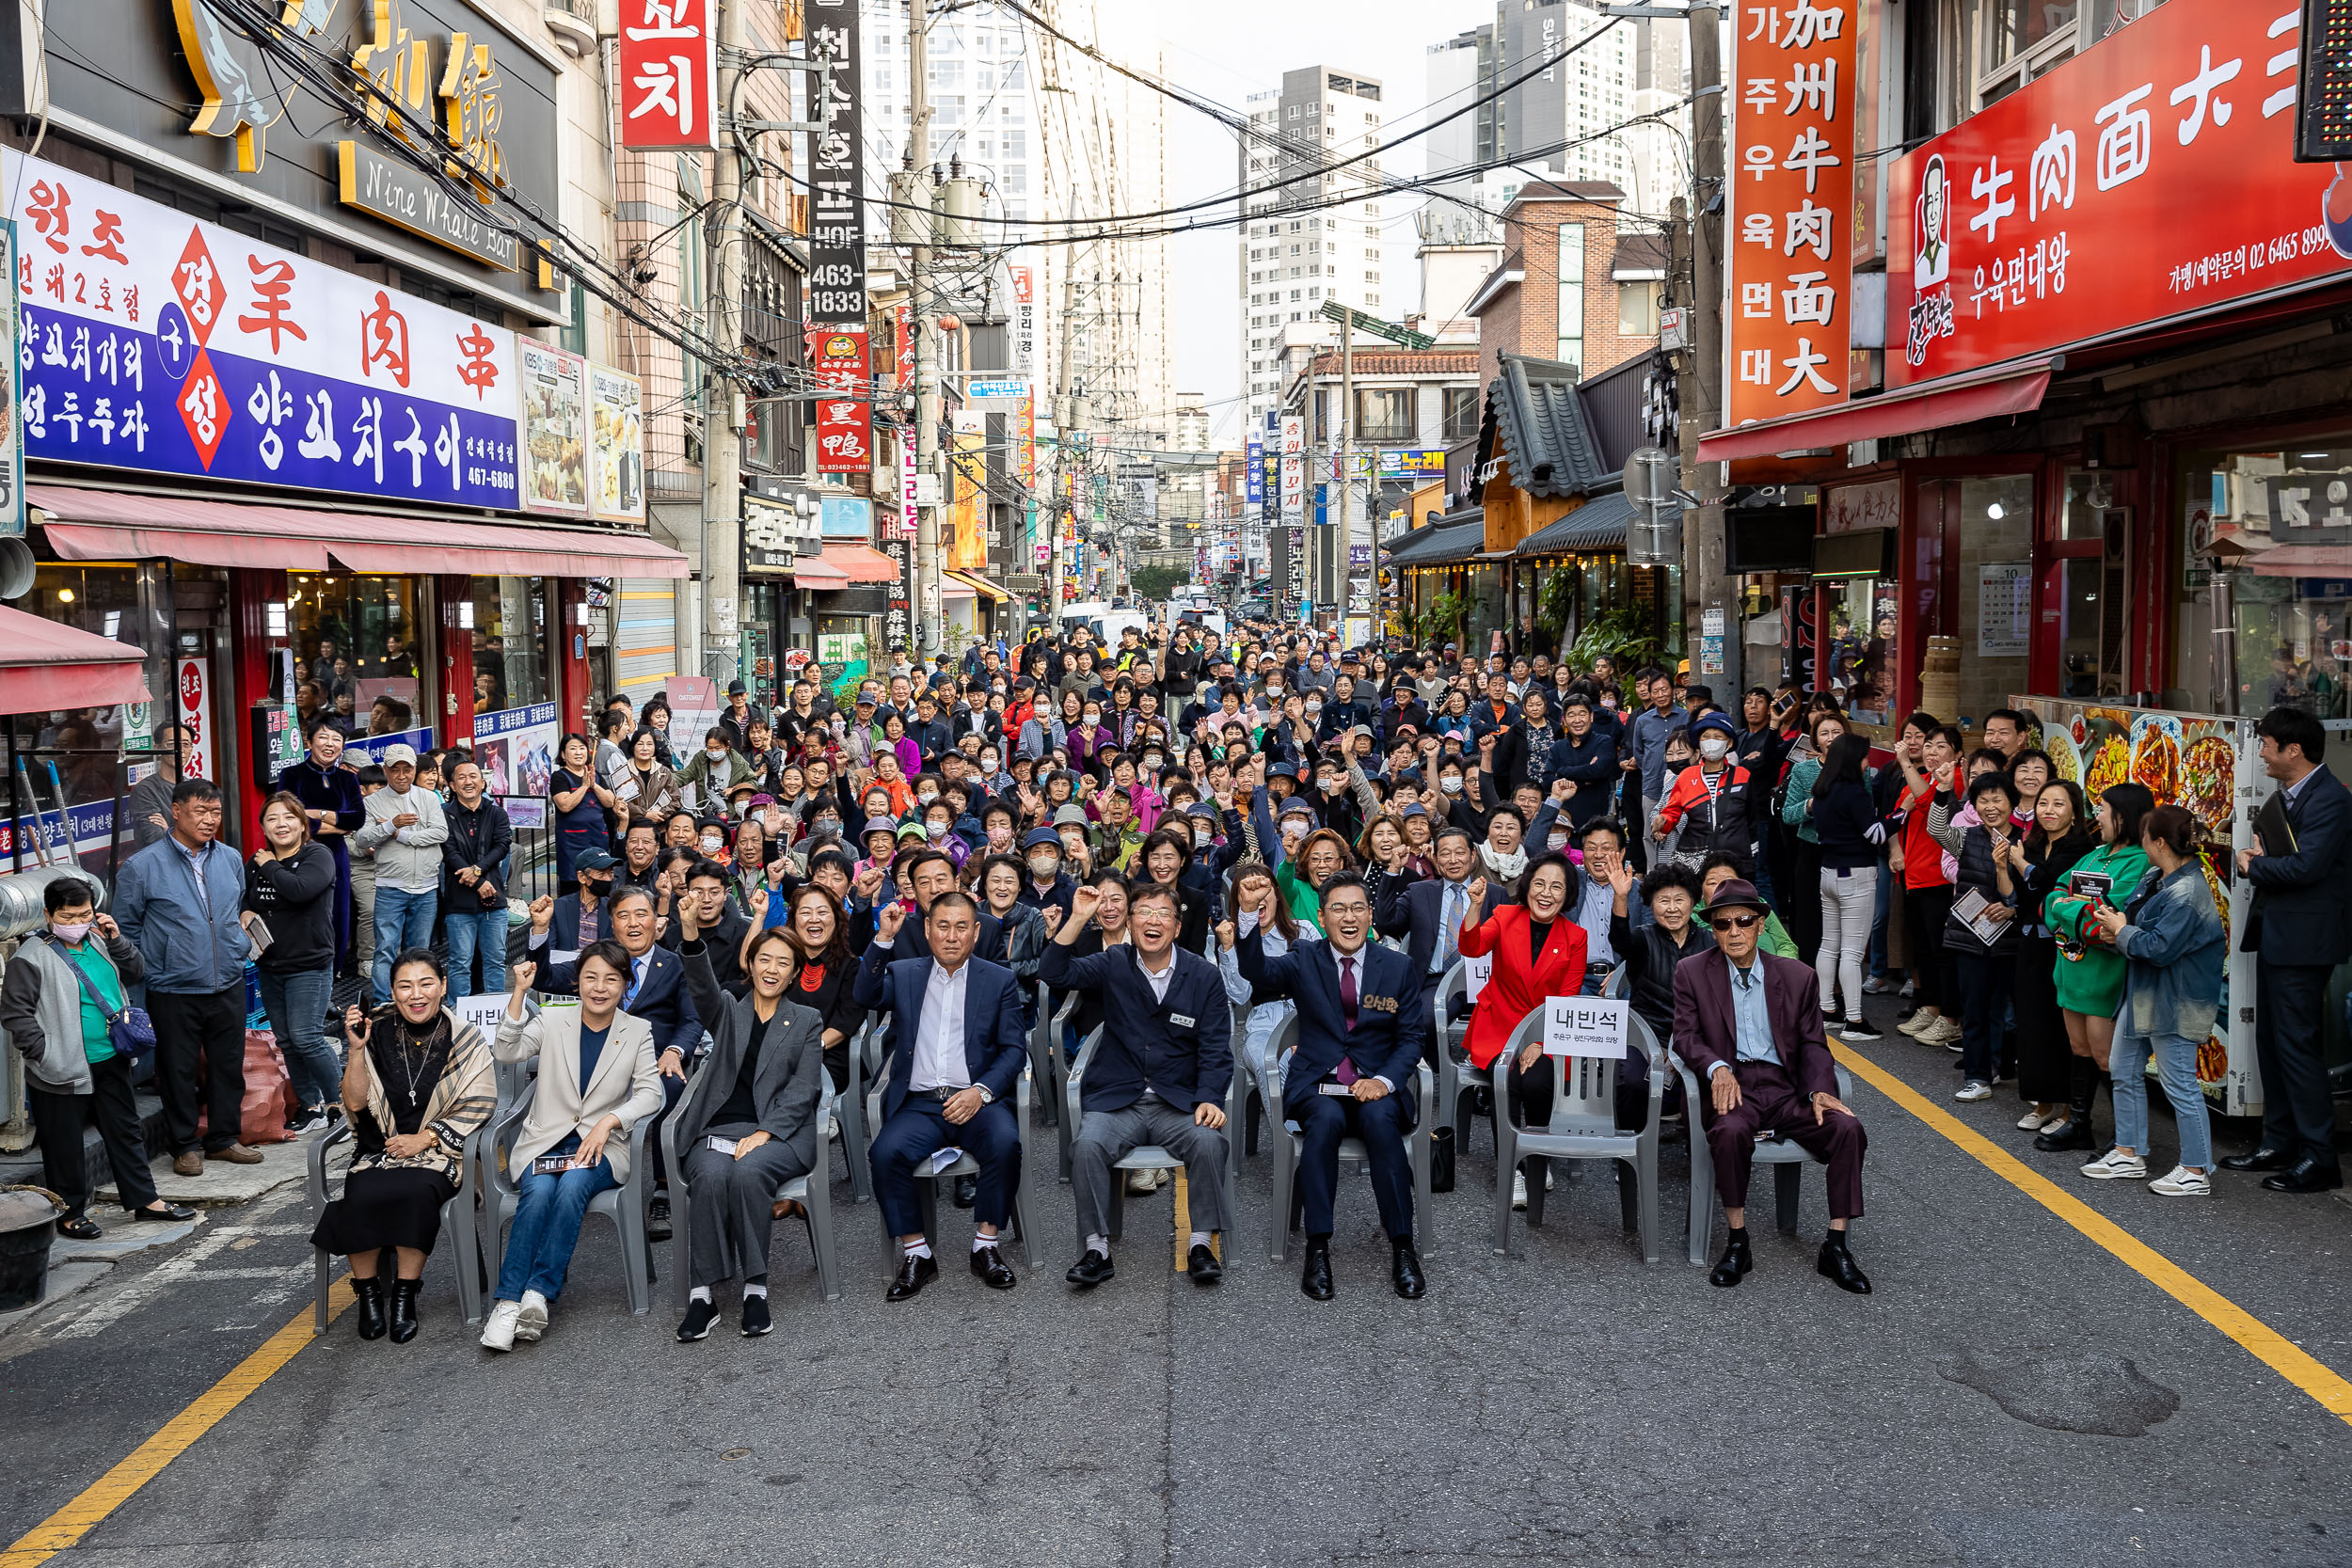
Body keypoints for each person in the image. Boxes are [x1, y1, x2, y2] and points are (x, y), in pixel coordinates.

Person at [1671, 879, 1871, 1294]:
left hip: (1786, 1088)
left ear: (1762, 923)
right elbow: (1686, 1037)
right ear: (1713, 929)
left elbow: (1815, 1041)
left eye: (1744, 920)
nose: (1734, 931)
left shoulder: (1797, 976)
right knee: (1728, 1132)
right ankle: (1738, 1240)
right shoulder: (1692, 971)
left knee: (1847, 1128)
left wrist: (1818, 1088)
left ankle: (1835, 1245)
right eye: (1723, 924)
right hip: (1734, 1085)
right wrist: (1717, 1068)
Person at [1234, 873, 1427, 1301]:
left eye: (1358, 907)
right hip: (1318, 1082)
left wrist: (1383, 1080)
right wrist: (1248, 913)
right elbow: (1256, 971)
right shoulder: (1303, 957)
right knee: (1322, 1122)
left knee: (1381, 1122)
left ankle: (1402, 1246)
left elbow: (1412, 1036)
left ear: (1371, 915)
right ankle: (1318, 1247)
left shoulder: (1396, 966)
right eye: (1337, 908)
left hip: (1376, 1085)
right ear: (1321, 917)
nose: (1349, 917)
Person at [1041, 879, 1234, 1288]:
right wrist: (1078, 917)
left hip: (1178, 1101)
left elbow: (1217, 1048)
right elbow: (1053, 972)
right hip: (1118, 1097)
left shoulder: (1203, 976)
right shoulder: (1114, 962)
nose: (1153, 921)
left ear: (1178, 927)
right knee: (1088, 1146)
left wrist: (1210, 1097)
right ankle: (1097, 1249)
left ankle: (1200, 1242)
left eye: (1164, 913)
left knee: (1207, 1141)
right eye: (1144, 912)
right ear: (1129, 922)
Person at [481, 942, 665, 1351]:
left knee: (572, 1185)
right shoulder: (551, 1020)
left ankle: (536, 1293)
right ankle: (511, 1302)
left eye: (611, 979)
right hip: (544, 1142)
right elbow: (506, 1050)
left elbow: (652, 1094)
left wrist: (610, 1121)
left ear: (626, 986)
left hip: (602, 1146)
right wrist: (518, 992)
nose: (599, 988)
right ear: (577, 981)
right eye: (590, 978)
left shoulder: (637, 1032)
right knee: (541, 1190)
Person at [312, 951, 495, 1342]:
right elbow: (356, 1103)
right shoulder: (374, 1031)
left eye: (426, 983)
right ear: (392, 992)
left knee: (415, 1191)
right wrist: (356, 1049)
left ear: (443, 987)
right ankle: (369, 1294)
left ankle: (404, 1295)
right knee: (360, 1193)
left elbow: (481, 1101)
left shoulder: (464, 1037)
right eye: (405, 986)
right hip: (378, 1148)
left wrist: (425, 1139)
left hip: (439, 1151)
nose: (417, 994)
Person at [856, 892, 1029, 1299]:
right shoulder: (905, 972)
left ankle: (985, 1245)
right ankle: (918, 1253)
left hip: (976, 1099)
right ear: (928, 929)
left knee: (1005, 1143)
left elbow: (1013, 1050)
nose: (952, 936)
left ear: (976, 932)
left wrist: (981, 1092)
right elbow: (864, 996)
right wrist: (883, 938)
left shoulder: (997, 979)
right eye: (943, 926)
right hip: (921, 1103)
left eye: (961, 927)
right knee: (885, 1153)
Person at [669, 903, 829, 1339]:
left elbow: (804, 1089)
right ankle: (703, 1294)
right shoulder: (727, 1010)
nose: (772, 969)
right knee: (708, 1175)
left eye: (783, 962)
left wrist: (765, 1132)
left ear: (794, 973)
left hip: (779, 1133)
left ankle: (755, 1288)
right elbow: (701, 984)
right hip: (718, 1128)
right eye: (765, 959)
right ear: (751, 964)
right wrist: (688, 933)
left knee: (749, 1171)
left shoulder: (807, 1020)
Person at [2, 879, 195, 1239]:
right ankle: (70, 1212)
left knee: (125, 1132)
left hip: (112, 1057)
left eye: (84, 914)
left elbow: (137, 972)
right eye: (67, 915)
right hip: (61, 1067)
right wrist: (43, 1053)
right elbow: (15, 1014)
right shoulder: (31, 956)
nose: (77, 922)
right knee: (64, 1145)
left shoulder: (101, 941)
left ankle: (145, 1199)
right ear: (48, 914)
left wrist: (118, 939)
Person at [525, 882, 705, 1232]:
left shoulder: (675, 964)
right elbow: (543, 977)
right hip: (598, 1063)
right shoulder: (595, 962)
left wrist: (674, 1051)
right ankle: (567, 1169)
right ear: (612, 923)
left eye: (642, 914)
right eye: (623, 916)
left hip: (652, 1062)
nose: (633, 923)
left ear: (657, 920)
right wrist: (541, 930)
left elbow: (692, 1019)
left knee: (670, 1087)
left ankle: (665, 1191)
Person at [2224, 708, 2351, 1191]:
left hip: (2307, 941)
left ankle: (2320, 1157)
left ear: (2292, 750)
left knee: (2297, 1046)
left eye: (2266, 744)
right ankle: (2279, 1141)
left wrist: (2252, 866)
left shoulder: (2332, 800)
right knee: (2272, 1044)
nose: (2261, 752)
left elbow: (2307, 869)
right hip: (2280, 934)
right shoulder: (2290, 794)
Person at [114, 778, 261, 1178]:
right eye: (201, 811)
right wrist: (157, 964)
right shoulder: (142, 866)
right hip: (172, 985)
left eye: (215, 812)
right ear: (176, 811)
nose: (210, 820)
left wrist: (237, 948)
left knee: (228, 1064)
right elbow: (126, 926)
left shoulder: (229, 857)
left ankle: (223, 1139)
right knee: (177, 1069)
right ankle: (183, 1145)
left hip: (226, 979)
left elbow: (235, 909)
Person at [2081, 806, 2225, 1196]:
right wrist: (2116, 931)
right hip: (2145, 990)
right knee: (2123, 1069)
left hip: (2177, 998)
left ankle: (2195, 1170)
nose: (2141, 841)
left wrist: (2121, 931)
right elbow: (2134, 928)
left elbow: (2159, 948)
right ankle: (2128, 1152)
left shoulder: (2188, 892)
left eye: (2145, 835)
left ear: (2158, 842)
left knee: (2179, 1083)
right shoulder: (2157, 876)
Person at [1454, 855, 1593, 1212]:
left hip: (1545, 1031)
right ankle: (1513, 1166)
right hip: (1497, 1027)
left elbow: (1567, 999)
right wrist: (1474, 906)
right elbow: (1471, 948)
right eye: (1540, 884)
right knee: (1509, 1079)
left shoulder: (1576, 937)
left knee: (1537, 1082)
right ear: (1528, 886)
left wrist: (1542, 1042)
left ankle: (1537, 1159)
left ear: (1568, 895)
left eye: (1557, 887)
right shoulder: (1503, 916)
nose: (1546, 894)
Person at [2039, 783, 2153, 1154]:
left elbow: (2109, 919)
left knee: (2106, 1055)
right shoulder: (2096, 854)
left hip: (2104, 972)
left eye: (2102, 809)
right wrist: (2068, 909)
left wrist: (2064, 909)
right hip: (2071, 966)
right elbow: (2052, 896)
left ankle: (2126, 1137)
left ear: (2124, 814)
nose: (2096, 816)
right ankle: (2080, 1124)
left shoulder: (2139, 861)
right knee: (2079, 1047)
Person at [244, 792, 342, 1132]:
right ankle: (310, 1106)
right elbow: (247, 897)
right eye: (272, 819)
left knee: (307, 1037)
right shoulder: (255, 864)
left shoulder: (318, 855)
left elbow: (300, 890)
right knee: (286, 1040)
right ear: (264, 828)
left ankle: (341, 1104)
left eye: (288, 817)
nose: (280, 824)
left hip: (310, 962)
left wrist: (268, 863)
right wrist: (245, 911)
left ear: (302, 824)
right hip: (270, 964)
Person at [2006, 781, 2093, 1139]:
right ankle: (2042, 1103)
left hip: (2062, 945)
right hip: (2028, 940)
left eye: (2059, 804)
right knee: (2030, 1022)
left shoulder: (2080, 848)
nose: (2049, 810)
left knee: (2060, 1028)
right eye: (2043, 803)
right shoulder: (2035, 842)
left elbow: (2046, 882)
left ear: (2075, 810)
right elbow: (2018, 892)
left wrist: (2019, 861)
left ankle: (2071, 1108)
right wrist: (2009, 867)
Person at [1937, 773, 2022, 1101]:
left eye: (1997, 799)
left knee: (2001, 1007)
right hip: (1969, 934)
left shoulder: (2026, 841)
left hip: (2009, 937)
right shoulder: (1966, 837)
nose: (1990, 807)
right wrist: (1944, 792)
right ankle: (1976, 1076)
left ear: (2011, 803)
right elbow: (1937, 830)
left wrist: (2014, 910)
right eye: (1982, 801)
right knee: (1974, 1006)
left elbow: (2034, 888)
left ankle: (1996, 1066)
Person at [353, 743, 448, 1006]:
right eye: (396, 770)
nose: (402, 775)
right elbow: (362, 839)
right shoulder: (371, 802)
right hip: (389, 886)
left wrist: (403, 835)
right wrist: (390, 825)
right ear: (386, 771)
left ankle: (420, 1000)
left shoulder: (429, 798)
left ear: (414, 770)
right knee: (385, 950)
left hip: (427, 886)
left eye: (407, 769)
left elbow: (441, 833)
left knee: (420, 951)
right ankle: (385, 1003)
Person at [278, 717, 363, 969]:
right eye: (323, 737)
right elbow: (292, 819)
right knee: (307, 913)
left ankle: (333, 970)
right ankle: (309, 970)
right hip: (301, 856)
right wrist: (336, 823)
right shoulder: (292, 775)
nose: (330, 744)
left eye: (337, 739)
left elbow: (357, 819)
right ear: (310, 741)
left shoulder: (347, 779)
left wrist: (316, 813)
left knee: (338, 914)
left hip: (337, 855)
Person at [439, 759, 511, 1000]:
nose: (468, 782)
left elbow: (502, 846)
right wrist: (479, 882)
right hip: (458, 903)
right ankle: (457, 1017)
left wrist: (477, 870)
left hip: (494, 902)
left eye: (473, 776)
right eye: (461, 777)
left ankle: (497, 1017)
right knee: (460, 963)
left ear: (482, 782)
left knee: (495, 962)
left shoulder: (496, 812)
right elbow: (449, 852)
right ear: (452, 785)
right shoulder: (444, 815)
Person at [548, 734, 615, 894]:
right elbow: (564, 805)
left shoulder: (595, 775)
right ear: (563, 755)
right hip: (572, 843)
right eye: (573, 749)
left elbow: (610, 801)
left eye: (582, 748)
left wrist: (595, 785)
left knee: (599, 883)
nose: (578, 753)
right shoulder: (559, 777)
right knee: (574, 886)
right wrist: (584, 786)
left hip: (597, 838)